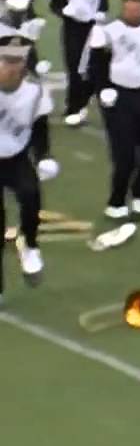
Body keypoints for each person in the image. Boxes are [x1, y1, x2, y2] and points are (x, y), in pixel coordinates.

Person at [85, 0, 140, 219]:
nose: (135, 6)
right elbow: (95, 66)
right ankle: (117, 200)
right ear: (123, 4)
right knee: (125, 155)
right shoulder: (107, 31)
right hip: (117, 96)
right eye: (130, 1)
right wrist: (103, 89)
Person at [0, 35, 57, 301]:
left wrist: (44, 156)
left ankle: (30, 246)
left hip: (15, 156)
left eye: (17, 60)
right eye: (6, 60)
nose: (11, 66)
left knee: (31, 195)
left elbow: (40, 127)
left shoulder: (35, 91)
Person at [49, 0, 109, 127]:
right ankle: (73, 107)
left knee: (94, 67)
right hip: (73, 27)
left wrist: (101, 13)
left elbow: (103, 3)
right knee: (74, 66)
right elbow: (54, 4)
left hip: (94, 27)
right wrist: (65, 12)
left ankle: (84, 103)